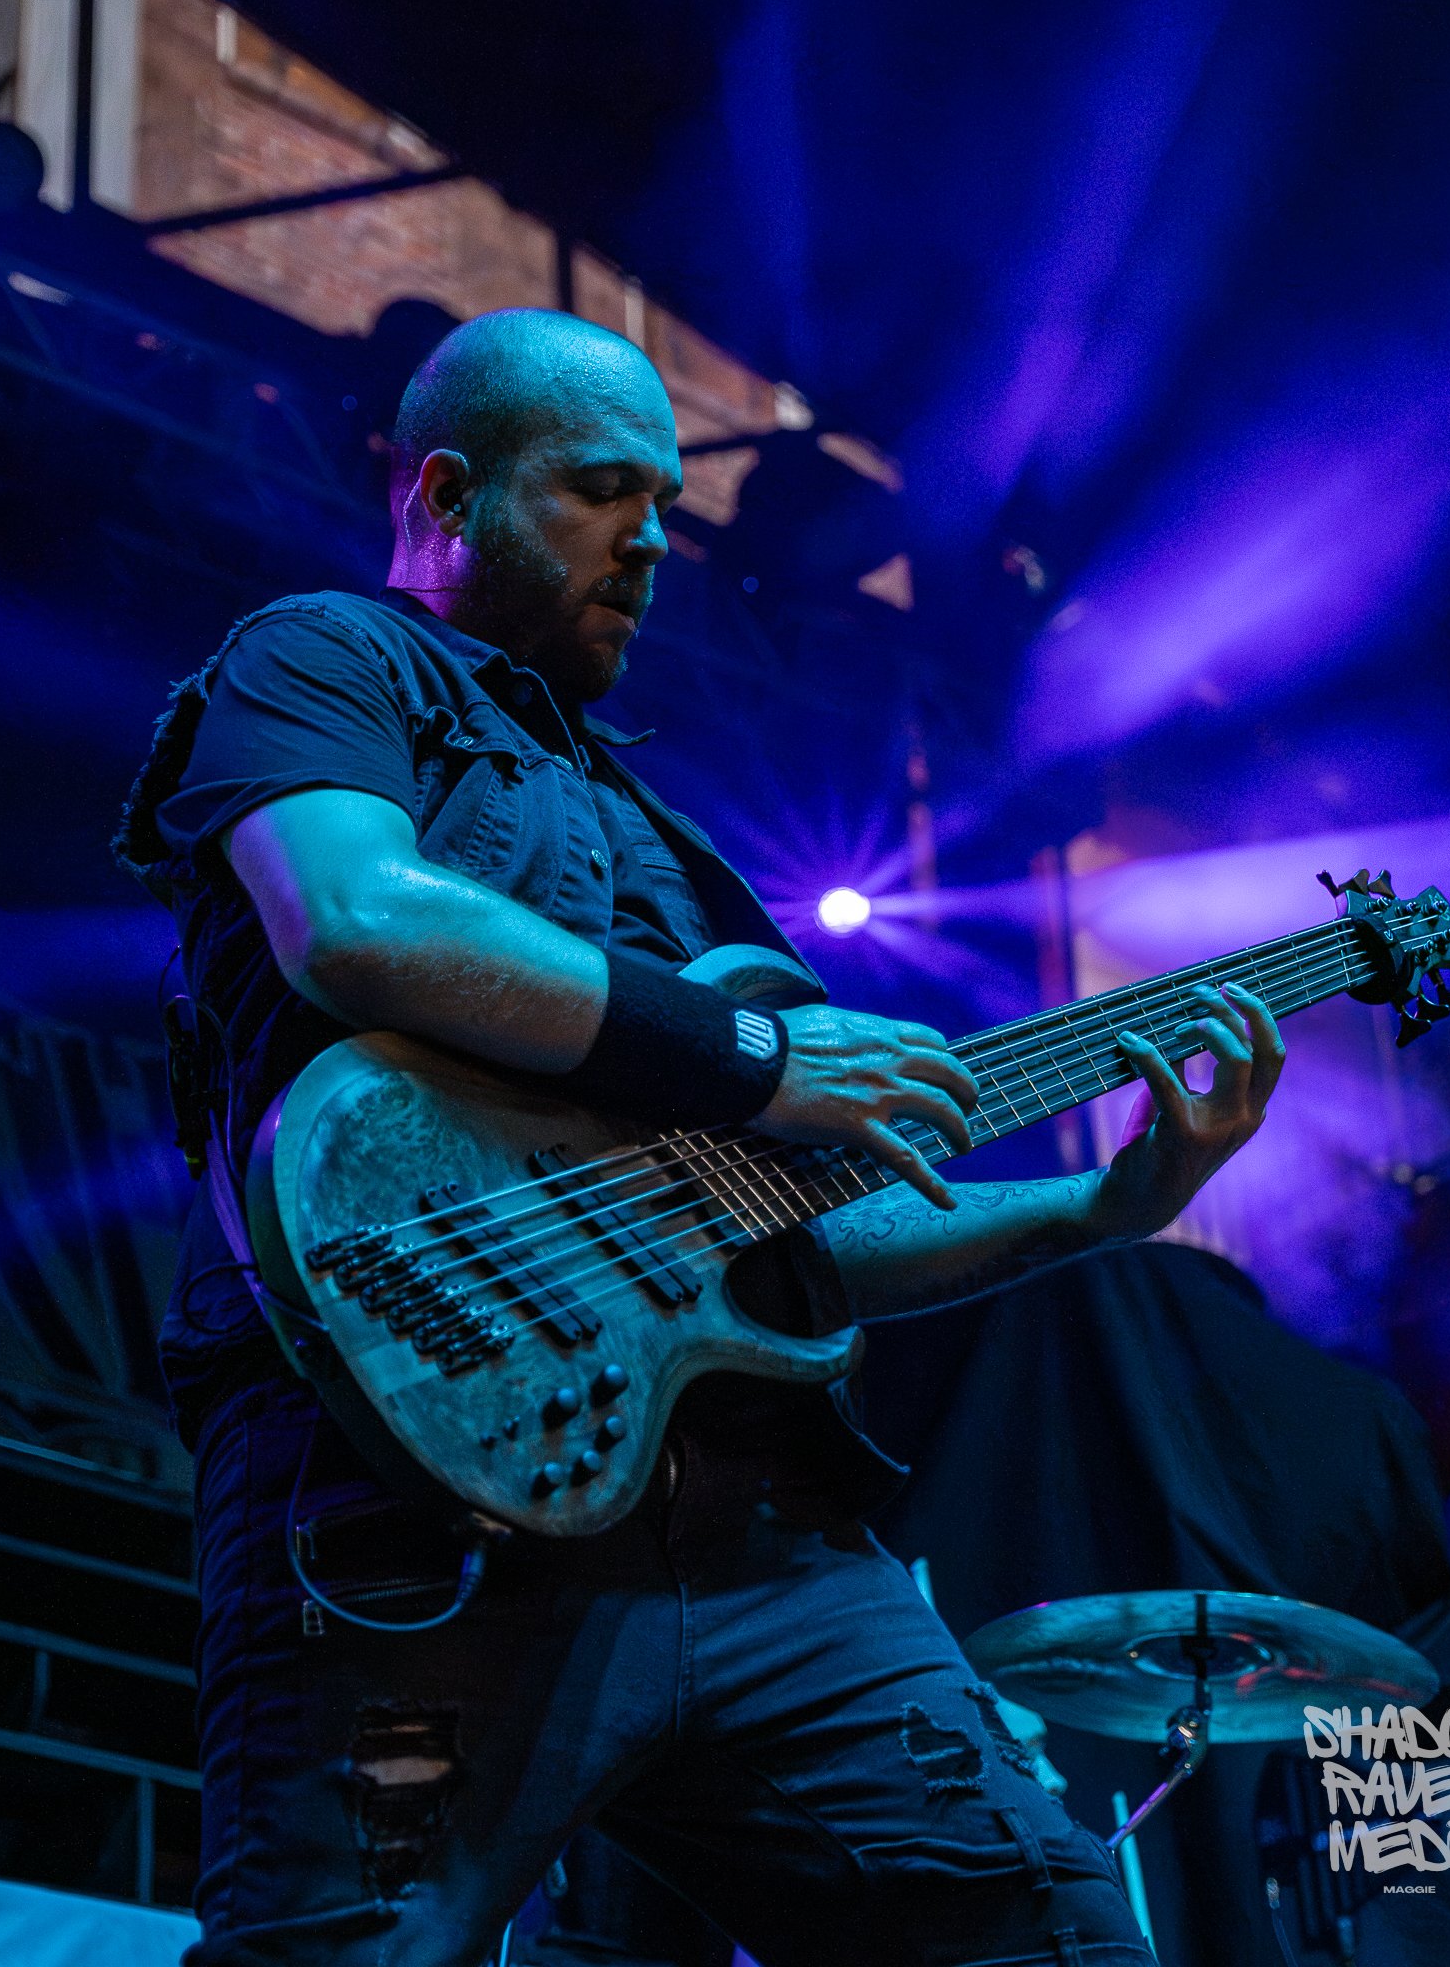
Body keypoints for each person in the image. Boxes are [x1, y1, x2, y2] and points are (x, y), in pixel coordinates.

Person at [117, 308, 1284, 1967]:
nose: (653, 538)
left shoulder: (672, 854)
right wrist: (747, 1057)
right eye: (602, 490)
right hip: (398, 1485)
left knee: (1057, 1942)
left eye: (664, 499)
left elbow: (803, 1240)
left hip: (757, 1545)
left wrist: (1102, 1205)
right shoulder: (322, 657)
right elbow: (355, 922)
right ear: (446, 497)